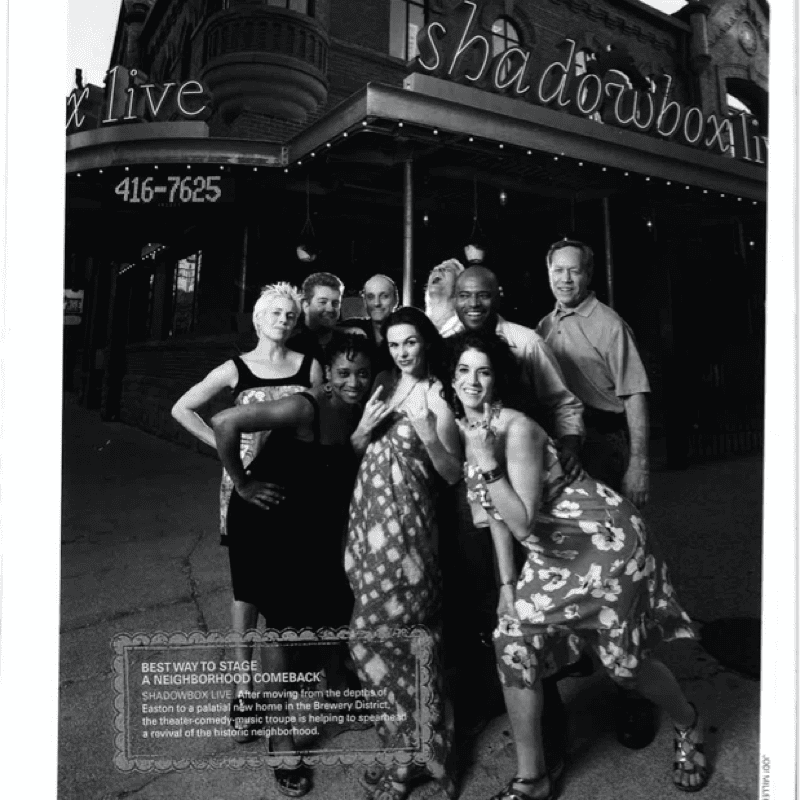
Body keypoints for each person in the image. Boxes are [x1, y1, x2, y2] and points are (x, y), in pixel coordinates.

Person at [446, 331, 707, 799]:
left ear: (498, 380)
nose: (472, 381)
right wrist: (508, 584)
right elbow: (496, 519)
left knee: (624, 666)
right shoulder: (471, 431)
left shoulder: (517, 429)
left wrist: (488, 463)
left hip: (603, 544)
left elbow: (522, 521)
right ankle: (533, 779)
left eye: (483, 371)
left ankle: (688, 723)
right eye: (463, 370)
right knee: (512, 639)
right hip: (554, 552)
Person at [210, 333, 375, 798]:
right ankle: (280, 737)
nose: (354, 381)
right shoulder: (305, 406)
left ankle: (339, 699)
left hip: (308, 525)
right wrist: (241, 483)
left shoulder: (358, 411)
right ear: (326, 372)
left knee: (329, 607)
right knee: (282, 624)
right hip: (266, 521)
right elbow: (225, 421)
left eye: (362, 372)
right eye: (343, 372)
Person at [170, 283, 322, 743]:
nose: (283, 319)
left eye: (291, 314)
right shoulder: (236, 368)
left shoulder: (309, 367)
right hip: (245, 486)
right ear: (258, 319)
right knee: (246, 592)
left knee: (286, 588)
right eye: (275, 312)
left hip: (294, 488)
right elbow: (183, 408)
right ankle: (243, 690)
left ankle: (286, 691)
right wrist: (224, 457)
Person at [444, 264, 585, 753]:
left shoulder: (525, 342)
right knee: (483, 603)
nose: (474, 304)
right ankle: (496, 702)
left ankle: (550, 729)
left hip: (519, 483)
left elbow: (563, 403)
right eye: (464, 295)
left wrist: (564, 445)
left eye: (483, 295)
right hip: (479, 490)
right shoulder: (446, 339)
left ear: (497, 295)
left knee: (526, 613)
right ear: (454, 298)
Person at [537, 239, 655, 748]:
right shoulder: (544, 326)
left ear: (589, 275)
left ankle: (636, 692)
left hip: (606, 443)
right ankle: (586, 650)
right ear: (548, 274)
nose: (566, 279)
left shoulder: (609, 324)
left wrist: (639, 464)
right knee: (573, 560)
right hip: (567, 447)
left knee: (616, 570)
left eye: (575, 272)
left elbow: (634, 395)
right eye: (558, 271)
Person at [345, 306, 461, 800]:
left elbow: (453, 472)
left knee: (391, 641)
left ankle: (424, 756)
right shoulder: (385, 386)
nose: (401, 352)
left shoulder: (438, 395)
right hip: (367, 531)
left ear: (426, 342)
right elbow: (359, 450)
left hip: (409, 537)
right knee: (381, 643)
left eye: (410, 342)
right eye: (394, 345)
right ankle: (406, 748)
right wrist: (360, 433)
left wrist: (430, 430)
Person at [340, 273, 398, 374]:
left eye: (384, 296)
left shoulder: (405, 328)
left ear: (396, 300)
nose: (377, 303)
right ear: (365, 301)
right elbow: (324, 329)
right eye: (370, 297)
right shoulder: (355, 325)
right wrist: (347, 330)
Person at [287, 271, 344, 365]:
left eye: (335, 303)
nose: (330, 309)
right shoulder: (290, 346)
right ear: (305, 306)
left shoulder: (347, 343)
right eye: (322, 302)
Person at [424, 258, 465, 337]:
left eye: (447, 269)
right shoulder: (416, 326)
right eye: (434, 270)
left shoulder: (466, 329)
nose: (438, 270)